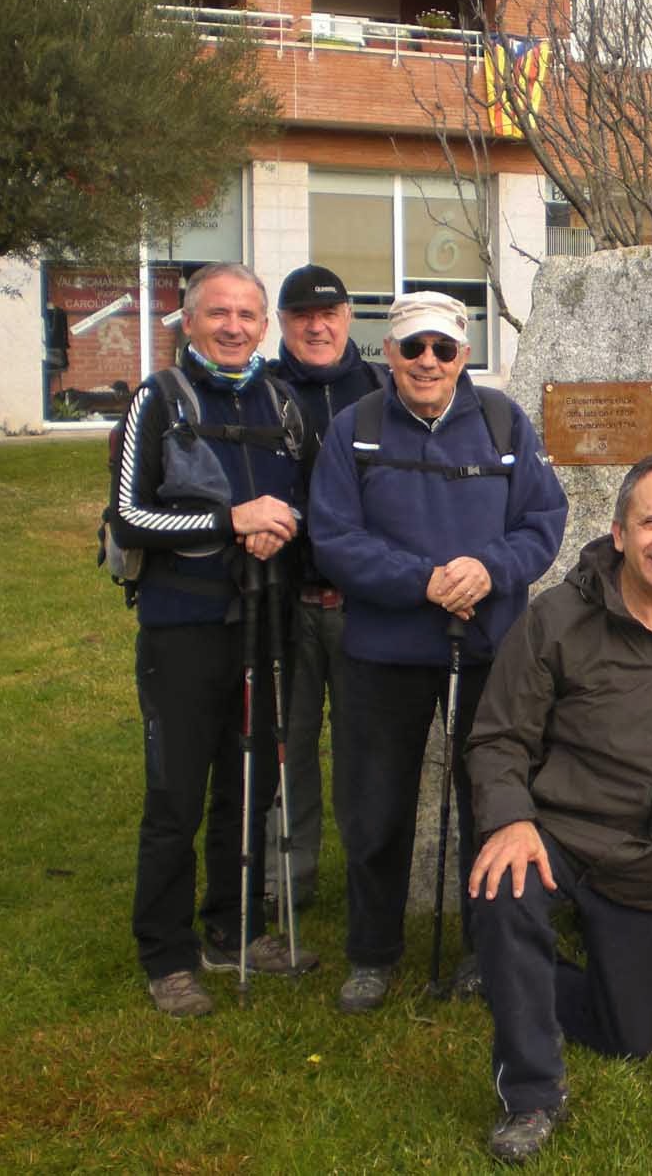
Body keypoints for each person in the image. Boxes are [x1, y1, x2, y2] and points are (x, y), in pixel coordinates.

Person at [466, 457, 652, 1164]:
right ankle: (532, 1094)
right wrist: (510, 819)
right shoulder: (557, 619)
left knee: (629, 1037)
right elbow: (498, 736)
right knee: (506, 882)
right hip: (562, 835)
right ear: (620, 532)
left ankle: (509, 975)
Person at [308, 291, 567, 1015]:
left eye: (443, 348)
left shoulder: (503, 421)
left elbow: (543, 520)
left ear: (463, 356)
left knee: (488, 801)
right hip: (380, 655)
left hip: (487, 651)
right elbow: (334, 537)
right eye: (413, 347)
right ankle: (372, 952)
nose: (428, 361)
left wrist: (488, 569)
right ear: (389, 353)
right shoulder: (354, 428)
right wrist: (422, 581)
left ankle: (487, 949)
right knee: (374, 808)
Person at [111, 262, 317, 1017]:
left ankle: (235, 929)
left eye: (247, 314)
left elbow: (310, 499)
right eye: (218, 313)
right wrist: (230, 521)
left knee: (249, 784)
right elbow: (129, 518)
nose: (233, 326)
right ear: (190, 320)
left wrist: (281, 526)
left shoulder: (282, 402)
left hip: (264, 623)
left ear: (264, 326)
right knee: (176, 796)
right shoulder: (158, 398)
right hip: (183, 628)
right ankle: (166, 953)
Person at [263, 263, 384, 910]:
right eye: (302, 316)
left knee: (367, 754)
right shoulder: (262, 393)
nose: (317, 327)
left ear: (348, 318)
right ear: (282, 323)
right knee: (288, 748)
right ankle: (288, 882)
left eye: (329, 314)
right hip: (286, 602)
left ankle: (372, 882)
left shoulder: (382, 389)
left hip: (365, 606)